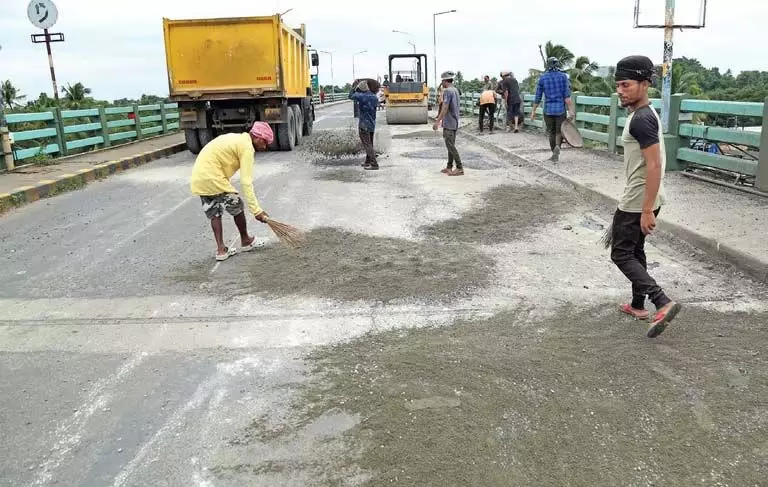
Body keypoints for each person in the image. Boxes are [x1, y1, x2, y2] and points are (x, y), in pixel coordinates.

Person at [611, 54, 681, 338]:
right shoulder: (645, 114)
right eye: (617, 85)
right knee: (635, 250)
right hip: (647, 197)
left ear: (644, 84)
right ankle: (638, 305)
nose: (620, 90)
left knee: (621, 253)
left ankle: (661, 302)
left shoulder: (641, 120)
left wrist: (647, 209)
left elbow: (654, 164)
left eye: (626, 85)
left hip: (639, 199)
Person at [189, 122, 274, 261]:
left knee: (214, 212)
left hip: (199, 177)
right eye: (264, 143)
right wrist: (256, 211)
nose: (264, 147)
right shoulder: (247, 147)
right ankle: (246, 240)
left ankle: (221, 250)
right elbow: (246, 181)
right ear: (258, 137)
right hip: (212, 176)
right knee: (237, 205)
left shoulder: (238, 139)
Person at [530, 57, 574, 162]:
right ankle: (558, 146)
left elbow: (538, 97)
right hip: (560, 110)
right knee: (559, 131)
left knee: (551, 132)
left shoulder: (543, 78)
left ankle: (553, 152)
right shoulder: (563, 77)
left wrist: (533, 111)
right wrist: (571, 110)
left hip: (548, 110)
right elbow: (567, 97)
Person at [433, 71, 463, 176]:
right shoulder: (455, 90)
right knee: (450, 145)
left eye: (442, 81)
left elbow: (445, 107)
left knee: (450, 145)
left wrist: (437, 121)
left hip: (449, 122)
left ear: (445, 81)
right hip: (454, 121)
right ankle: (449, 166)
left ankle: (459, 167)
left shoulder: (447, 91)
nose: (442, 83)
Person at [348, 79, 379, 170]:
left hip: (363, 124)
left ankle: (374, 164)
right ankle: (368, 161)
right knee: (370, 144)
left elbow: (350, 96)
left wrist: (353, 86)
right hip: (372, 124)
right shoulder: (374, 97)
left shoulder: (361, 96)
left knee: (367, 145)